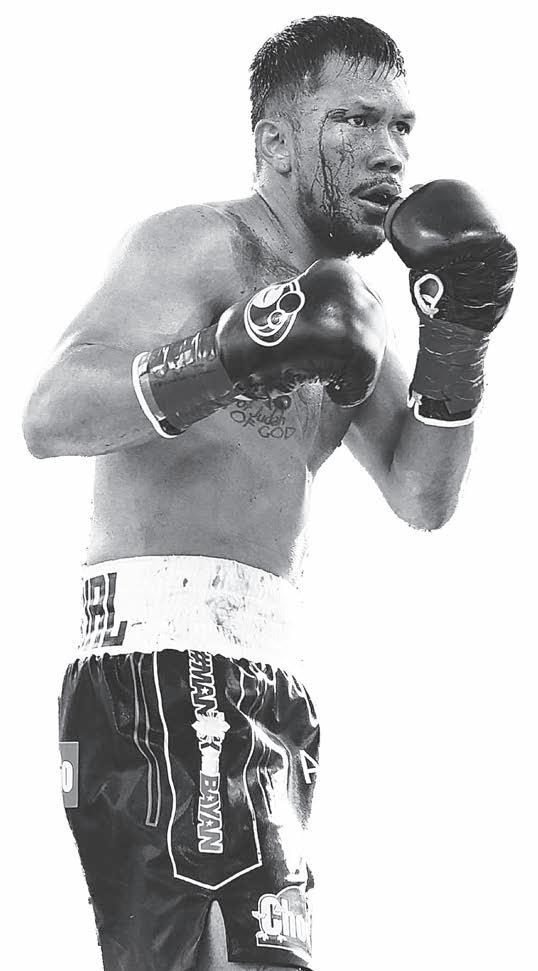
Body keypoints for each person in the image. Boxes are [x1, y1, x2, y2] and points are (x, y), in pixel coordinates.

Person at [22, 14, 516, 971]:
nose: (390, 151)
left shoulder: (352, 310)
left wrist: (459, 341)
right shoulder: (199, 245)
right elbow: (51, 414)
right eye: (356, 120)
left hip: (272, 683)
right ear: (277, 142)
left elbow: (422, 494)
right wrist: (229, 353)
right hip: (163, 672)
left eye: (403, 127)